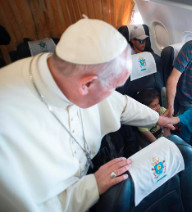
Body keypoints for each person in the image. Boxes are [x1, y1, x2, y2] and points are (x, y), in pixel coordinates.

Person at [0, 17, 174, 211]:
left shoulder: (70, 74)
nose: (115, 93)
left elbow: (122, 105)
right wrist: (93, 187)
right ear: (86, 85)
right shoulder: (7, 129)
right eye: (114, 86)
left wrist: (159, 119)